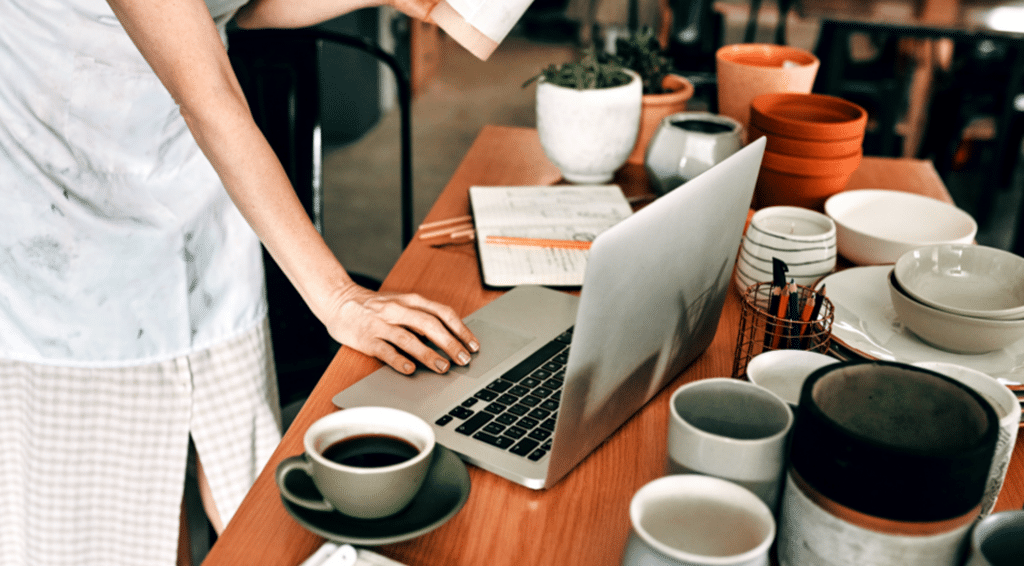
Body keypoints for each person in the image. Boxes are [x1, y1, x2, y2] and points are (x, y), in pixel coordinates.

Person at [0, 0, 478, 564]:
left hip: (203, 207)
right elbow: (208, 97)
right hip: (74, 233)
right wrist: (340, 297)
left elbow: (236, 9)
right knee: (123, 534)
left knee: (254, 502)